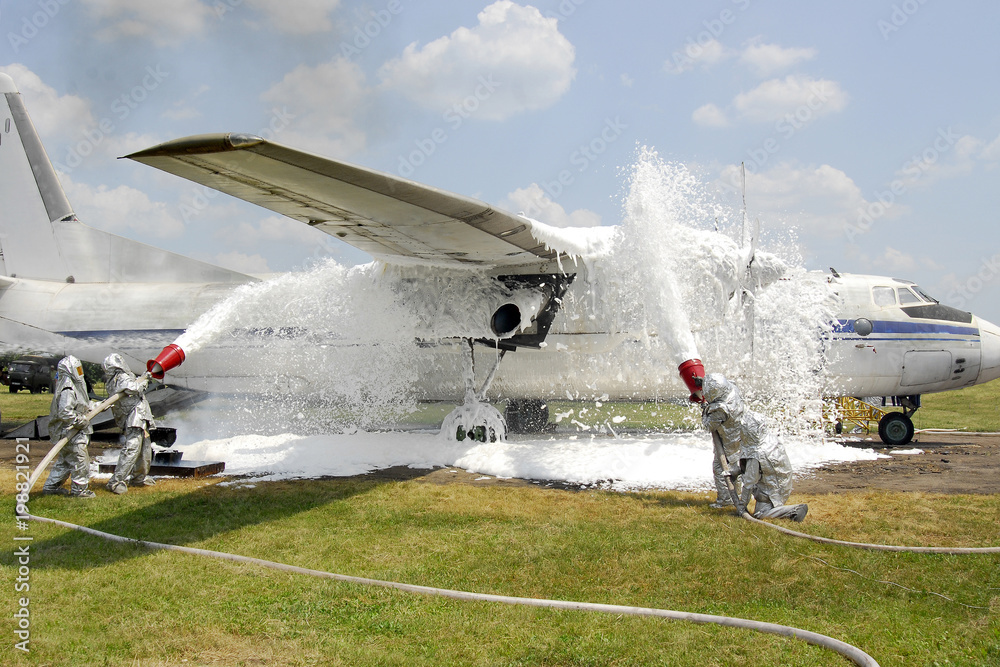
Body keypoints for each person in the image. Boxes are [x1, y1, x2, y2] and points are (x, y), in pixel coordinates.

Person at [701, 374, 807, 522]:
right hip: (779, 482)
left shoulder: (755, 455)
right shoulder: (768, 441)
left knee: (760, 514)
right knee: (733, 464)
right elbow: (749, 470)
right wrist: (735, 471)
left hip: (772, 491)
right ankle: (730, 497)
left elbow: (749, 483)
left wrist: (742, 506)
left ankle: (792, 510)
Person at [42, 356, 96, 498]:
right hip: (71, 432)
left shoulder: (74, 385)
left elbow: (81, 405)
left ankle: (51, 487)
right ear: (70, 370)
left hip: (70, 431)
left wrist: (96, 407)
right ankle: (79, 490)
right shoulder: (68, 387)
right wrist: (80, 421)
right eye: (77, 369)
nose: (80, 372)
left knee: (65, 461)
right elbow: (65, 412)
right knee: (80, 460)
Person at [103, 353, 155, 494]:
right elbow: (133, 388)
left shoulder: (117, 379)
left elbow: (132, 385)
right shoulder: (120, 377)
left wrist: (143, 377)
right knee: (132, 449)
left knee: (144, 449)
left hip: (139, 416)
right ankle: (116, 481)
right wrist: (145, 380)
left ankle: (139, 478)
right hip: (134, 417)